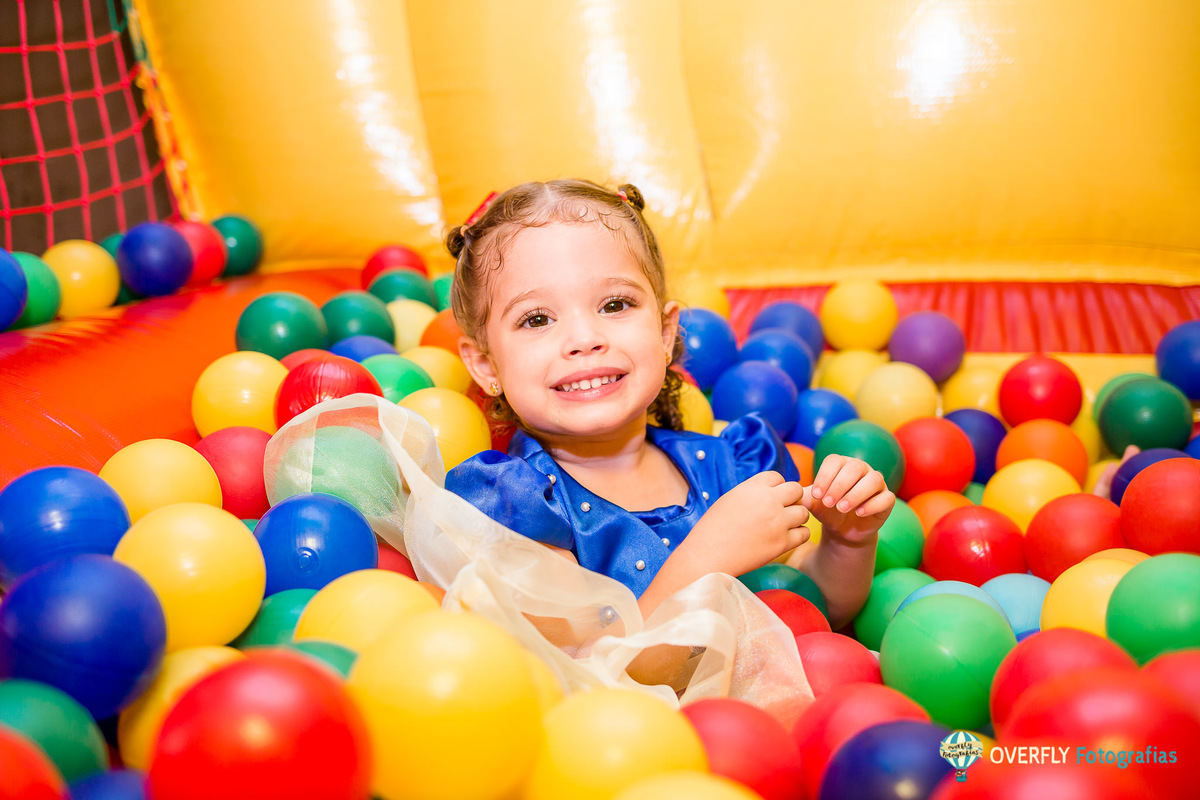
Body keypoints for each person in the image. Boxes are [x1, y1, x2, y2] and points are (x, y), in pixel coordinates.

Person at [444, 179, 894, 633]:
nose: (584, 339)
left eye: (615, 304)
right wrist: (708, 556)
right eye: (537, 319)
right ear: (486, 366)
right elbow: (583, 662)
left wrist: (847, 542)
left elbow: (814, 612)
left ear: (664, 334)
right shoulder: (520, 505)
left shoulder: (730, 467)